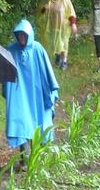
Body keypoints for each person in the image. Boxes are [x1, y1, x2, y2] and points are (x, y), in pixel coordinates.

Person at [4, 19, 59, 167]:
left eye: (24, 36)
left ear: (30, 35)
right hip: (18, 94)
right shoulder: (11, 50)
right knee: (20, 122)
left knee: (37, 122)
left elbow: (47, 71)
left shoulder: (37, 49)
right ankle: (26, 158)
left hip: (36, 94)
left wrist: (51, 90)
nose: (22, 39)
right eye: (19, 35)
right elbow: (5, 73)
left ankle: (35, 155)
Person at [38, 0, 78, 70]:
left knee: (63, 44)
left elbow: (71, 12)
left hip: (63, 27)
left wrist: (73, 24)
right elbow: (40, 12)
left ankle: (64, 62)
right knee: (53, 43)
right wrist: (44, 8)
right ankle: (58, 55)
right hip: (52, 26)